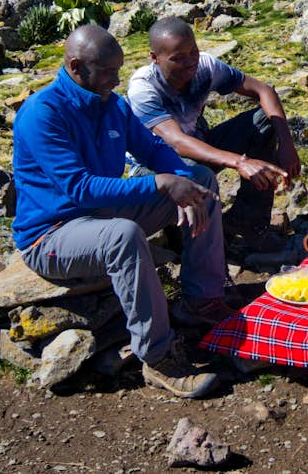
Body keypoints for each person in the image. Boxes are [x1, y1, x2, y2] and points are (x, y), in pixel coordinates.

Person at [12, 24, 234, 399]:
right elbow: (79, 188)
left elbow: (152, 148)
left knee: (201, 183)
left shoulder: (112, 105)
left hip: (103, 213)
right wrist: (160, 185)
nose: (117, 80)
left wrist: (181, 180)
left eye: (119, 70)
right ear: (77, 66)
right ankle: (158, 357)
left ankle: (201, 300)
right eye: (108, 72)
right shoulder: (42, 114)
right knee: (123, 236)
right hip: (52, 233)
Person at [126, 16, 301, 252]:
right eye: (177, 58)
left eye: (193, 52)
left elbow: (263, 90)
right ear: (155, 58)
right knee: (190, 168)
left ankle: (249, 223)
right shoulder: (143, 87)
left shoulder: (205, 66)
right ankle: (200, 249)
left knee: (263, 122)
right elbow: (175, 142)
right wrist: (240, 162)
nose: (190, 63)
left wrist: (287, 144)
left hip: (198, 146)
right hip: (155, 167)